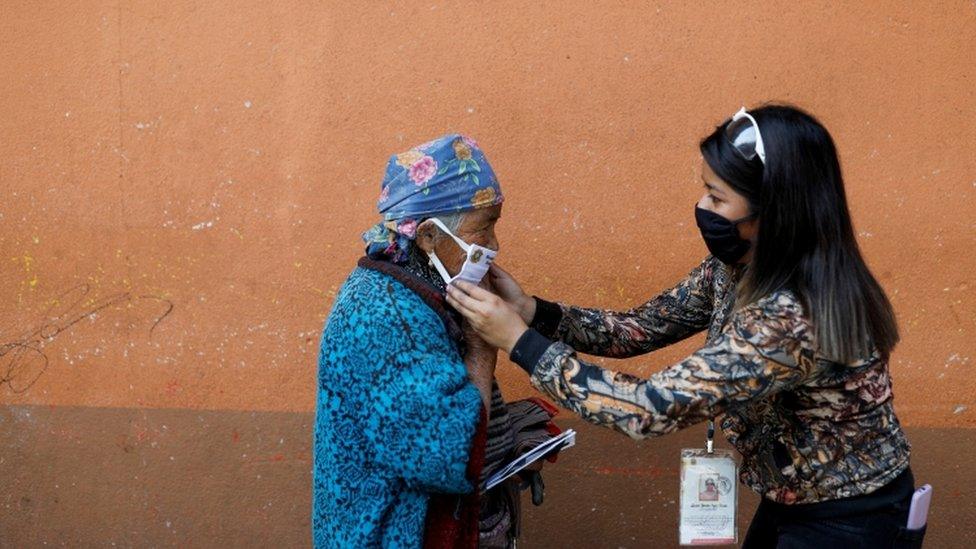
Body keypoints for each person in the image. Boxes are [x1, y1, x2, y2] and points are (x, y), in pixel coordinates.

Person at [445, 105, 923, 547]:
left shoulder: (794, 316)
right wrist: (534, 312)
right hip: (792, 501)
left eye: (717, 196)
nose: (702, 206)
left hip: (849, 520)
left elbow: (647, 410)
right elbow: (638, 327)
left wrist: (519, 342)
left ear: (772, 210)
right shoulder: (738, 266)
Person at [313, 134, 552, 549]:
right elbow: (443, 457)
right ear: (427, 237)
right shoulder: (388, 319)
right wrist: (481, 348)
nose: (494, 246)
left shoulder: (410, 296)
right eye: (485, 229)